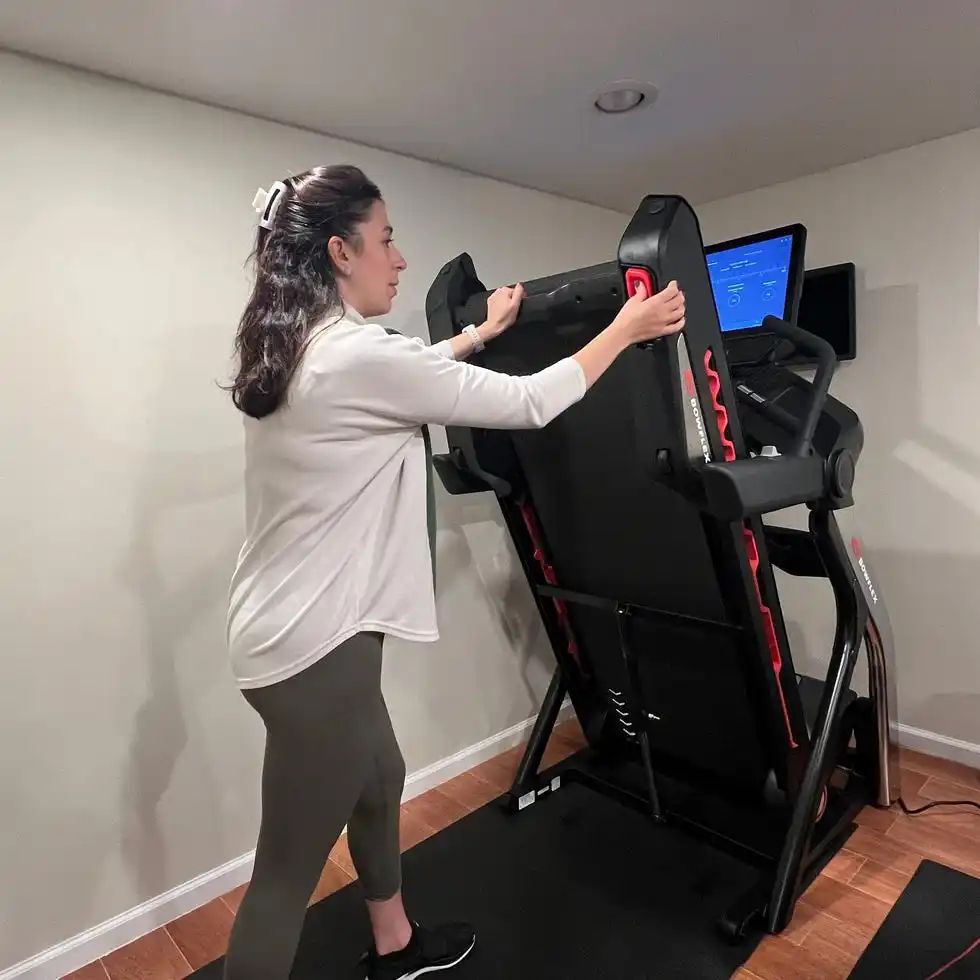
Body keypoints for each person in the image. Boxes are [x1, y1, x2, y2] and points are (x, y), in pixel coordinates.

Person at [223, 163, 686, 980]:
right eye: (387, 239)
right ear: (340, 251)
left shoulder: (307, 347)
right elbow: (535, 400)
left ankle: (396, 946)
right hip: (313, 654)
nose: (399, 258)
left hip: (294, 637)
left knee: (383, 774)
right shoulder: (355, 357)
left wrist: (476, 334)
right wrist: (630, 325)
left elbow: (404, 379)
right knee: (284, 874)